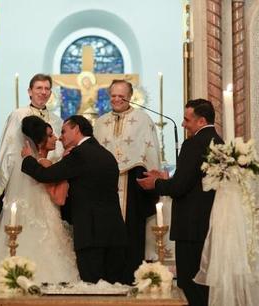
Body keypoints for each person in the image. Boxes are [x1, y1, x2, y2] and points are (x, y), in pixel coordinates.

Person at [0, 116, 79, 305]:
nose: (56, 138)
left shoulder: (27, 163)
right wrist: (64, 175)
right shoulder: (45, 165)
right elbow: (57, 197)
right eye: (50, 135)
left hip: (30, 222)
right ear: (40, 141)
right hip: (46, 224)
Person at [21, 115, 127, 284]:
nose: (60, 136)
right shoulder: (106, 154)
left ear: (76, 128)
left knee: (92, 292)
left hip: (91, 237)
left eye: (63, 131)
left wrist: (27, 159)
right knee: (114, 292)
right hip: (116, 234)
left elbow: (46, 175)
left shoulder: (80, 154)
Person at [137, 99, 223, 306]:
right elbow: (195, 181)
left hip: (191, 226)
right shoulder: (218, 142)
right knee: (205, 284)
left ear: (201, 120)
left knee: (190, 283)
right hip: (210, 222)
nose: (183, 124)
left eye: (187, 119)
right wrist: (168, 179)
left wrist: (156, 183)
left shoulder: (193, 143)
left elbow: (180, 188)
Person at [94, 79, 161, 283]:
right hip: (106, 186)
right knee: (107, 233)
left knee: (132, 234)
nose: (116, 99)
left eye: (121, 96)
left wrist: (154, 179)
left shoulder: (143, 120)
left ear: (130, 97)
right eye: (113, 95)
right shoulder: (101, 122)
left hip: (134, 186)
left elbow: (151, 153)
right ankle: (108, 280)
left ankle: (131, 279)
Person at [0, 73, 64, 232]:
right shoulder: (18, 115)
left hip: (47, 176)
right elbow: (9, 149)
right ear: (30, 91)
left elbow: (58, 151)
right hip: (22, 175)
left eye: (47, 88)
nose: (43, 92)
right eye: (39, 88)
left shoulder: (56, 120)